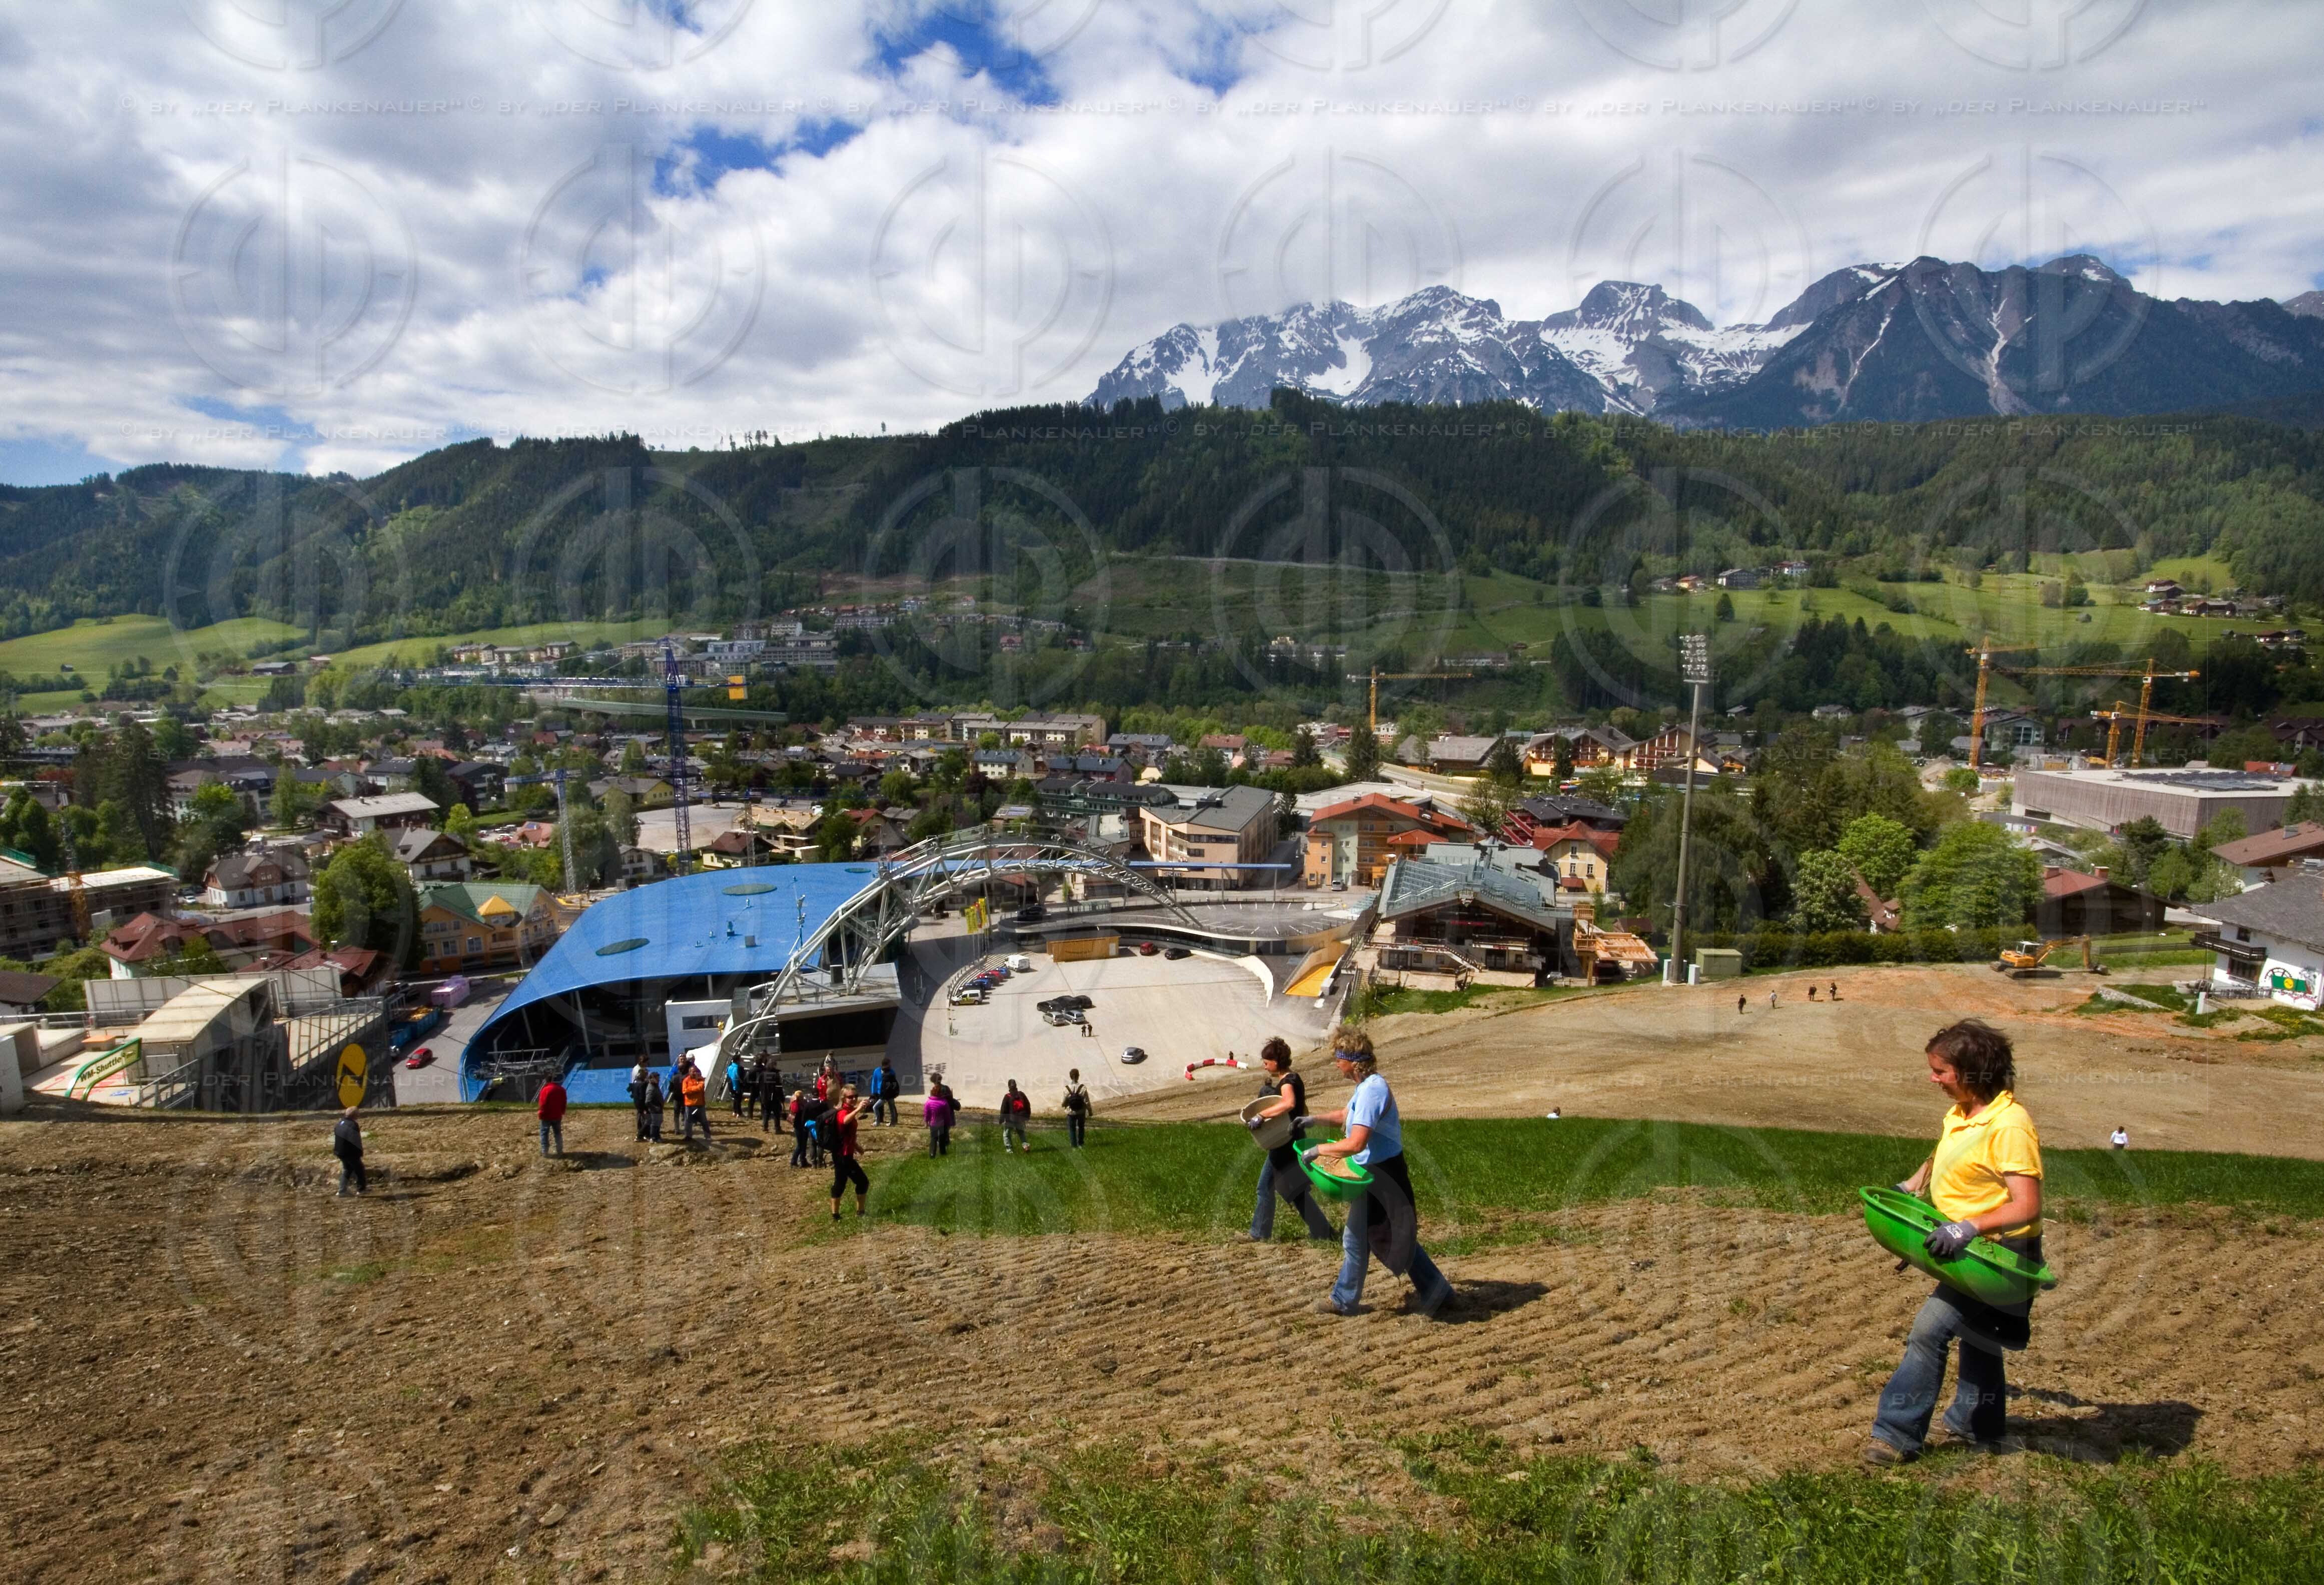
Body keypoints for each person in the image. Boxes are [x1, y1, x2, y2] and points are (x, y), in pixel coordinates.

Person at [1865, 1020, 2045, 1465]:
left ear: (1972, 1073)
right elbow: (1945, 1152)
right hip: (1967, 1247)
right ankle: (1978, 1425)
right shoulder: (1964, 1114)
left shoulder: (2010, 1125)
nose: (1934, 1079)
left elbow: (2027, 1206)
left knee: (1930, 1331)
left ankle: (1896, 1435)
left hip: (1998, 1257)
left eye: (1941, 1072)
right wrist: (1912, 1187)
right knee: (1979, 1336)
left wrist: (1967, 1228)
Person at [1305, 1026, 1452, 1317]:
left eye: (1339, 1057)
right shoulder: (1366, 1087)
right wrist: (1310, 1120)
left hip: (1383, 1176)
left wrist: (1318, 1151)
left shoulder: (1374, 1090)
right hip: (1372, 1174)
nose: (1336, 1062)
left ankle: (1347, 1300)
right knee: (1375, 1237)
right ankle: (1348, 1299)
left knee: (1386, 1237)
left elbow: (1357, 1142)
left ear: (1352, 1060)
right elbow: (1346, 1116)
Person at [1245, 1038, 1335, 1243]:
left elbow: (1289, 1103)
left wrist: (1261, 1116)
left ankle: (1260, 1233)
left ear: (1276, 1061)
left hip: (1284, 1143)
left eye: (1267, 1062)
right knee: (1292, 1190)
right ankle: (1322, 1231)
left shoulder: (1287, 1082)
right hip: (1291, 1140)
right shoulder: (1294, 1078)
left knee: (1270, 1187)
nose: (1264, 1065)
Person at [826, 1084, 873, 1219]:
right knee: (862, 1182)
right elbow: (845, 1122)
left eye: (856, 1097)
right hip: (843, 1155)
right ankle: (859, 1212)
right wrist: (858, 1109)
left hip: (845, 1153)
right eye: (850, 1097)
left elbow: (847, 1134)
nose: (853, 1099)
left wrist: (857, 1146)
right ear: (843, 1098)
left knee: (840, 1183)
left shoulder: (849, 1110)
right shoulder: (842, 1112)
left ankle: (836, 1215)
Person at [332, 1106, 367, 1197]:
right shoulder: (353, 1125)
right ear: (355, 1115)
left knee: (347, 1169)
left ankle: (342, 1190)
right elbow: (355, 1140)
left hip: (340, 1151)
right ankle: (361, 1190)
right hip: (350, 1152)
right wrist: (359, 1152)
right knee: (360, 1169)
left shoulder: (340, 1123)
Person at [536, 1073, 567, 1157]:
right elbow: (564, 1103)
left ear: (547, 1081)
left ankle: (545, 1151)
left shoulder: (545, 1090)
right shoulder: (562, 1090)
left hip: (546, 1116)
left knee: (544, 1133)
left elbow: (543, 1103)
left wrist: (541, 1113)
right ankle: (560, 1150)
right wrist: (562, 1112)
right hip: (557, 1115)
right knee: (557, 1133)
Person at [680, 1060, 710, 1144]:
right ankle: (688, 1136)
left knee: (704, 1121)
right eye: (693, 1072)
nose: (694, 1073)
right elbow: (685, 1091)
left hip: (700, 1104)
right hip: (689, 1104)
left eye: (696, 1072)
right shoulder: (686, 1080)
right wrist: (694, 1089)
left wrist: (691, 1090)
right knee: (688, 1121)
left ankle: (707, 1136)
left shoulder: (700, 1079)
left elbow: (700, 1087)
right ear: (689, 1072)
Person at [999, 1079, 1031, 1153]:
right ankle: (1025, 1146)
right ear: (1016, 1085)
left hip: (1010, 1119)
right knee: (1021, 1133)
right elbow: (1027, 1105)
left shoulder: (1007, 1097)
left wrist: (1001, 1119)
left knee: (1006, 1135)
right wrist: (1027, 1115)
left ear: (1009, 1087)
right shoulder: (1021, 1094)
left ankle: (1009, 1150)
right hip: (1020, 1118)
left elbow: (1003, 1109)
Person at [1061, 1068, 1091, 1149]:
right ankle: (1081, 1144)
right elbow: (1087, 1102)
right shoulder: (1083, 1088)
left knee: (1072, 1129)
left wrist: (1064, 1105)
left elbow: (1063, 1102)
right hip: (1081, 1111)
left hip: (1071, 1112)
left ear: (1070, 1077)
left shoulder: (1066, 1089)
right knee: (1081, 1127)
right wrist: (1090, 1111)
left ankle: (1074, 1146)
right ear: (1078, 1076)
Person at [924, 1085, 954, 1156]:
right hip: (942, 1124)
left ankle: (932, 1153)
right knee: (942, 1139)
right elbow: (947, 1115)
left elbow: (927, 1113)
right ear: (941, 1094)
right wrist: (948, 1124)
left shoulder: (928, 1102)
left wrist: (926, 1122)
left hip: (933, 1124)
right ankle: (943, 1152)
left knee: (933, 1139)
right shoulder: (944, 1103)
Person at [871, 1058, 900, 1126]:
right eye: (889, 1064)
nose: (891, 1065)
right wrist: (873, 1092)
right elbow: (874, 1081)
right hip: (879, 1092)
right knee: (882, 1108)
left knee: (891, 1107)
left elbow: (894, 1084)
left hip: (887, 1094)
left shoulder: (892, 1072)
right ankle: (881, 1120)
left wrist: (894, 1093)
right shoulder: (877, 1071)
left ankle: (893, 1121)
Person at [789, 1088, 812, 1167]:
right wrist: (797, 1101)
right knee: (800, 1145)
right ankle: (793, 1161)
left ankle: (803, 1161)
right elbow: (795, 1110)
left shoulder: (804, 1103)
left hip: (803, 1126)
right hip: (799, 1126)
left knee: (804, 1144)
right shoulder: (795, 1104)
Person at [628, 1063, 652, 1142]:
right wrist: (645, 1108)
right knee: (648, 1120)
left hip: (637, 1103)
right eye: (646, 1075)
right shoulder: (642, 1084)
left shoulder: (635, 1082)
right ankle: (641, 1135)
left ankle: (643, 1134)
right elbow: (642, 1097)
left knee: (643, 1120)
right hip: (642, 1105)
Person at [760, 1063, 784, 1134]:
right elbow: (779, 1088)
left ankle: (765, 1127)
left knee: (767, 1112)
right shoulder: (776, 1075)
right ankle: (777, 1128)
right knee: (777, 1113)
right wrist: (782, 1098)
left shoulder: (762, 1074)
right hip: (774, 1098)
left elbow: (758, 1084)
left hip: (765, 1096)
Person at [643, 1069, 665, 1143]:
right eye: (656, 1079)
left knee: (659, 1122)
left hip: (659, 1108)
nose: (658, 1080)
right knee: (655, 1123)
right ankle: (653, 1137)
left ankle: (657, 1136)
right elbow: (648, 1101)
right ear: (651, 1079)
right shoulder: (651, 1089)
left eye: (659, 1079)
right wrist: (655, 1108)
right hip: (655, 1109)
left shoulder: (656, 1086)